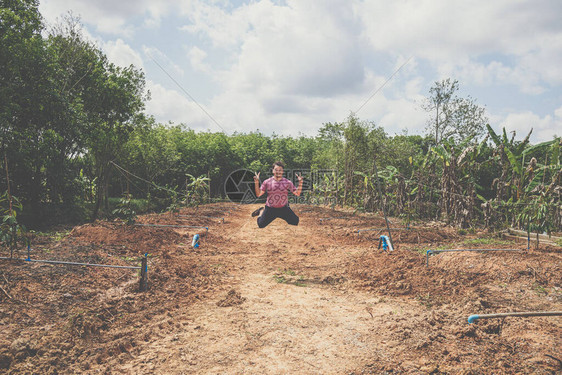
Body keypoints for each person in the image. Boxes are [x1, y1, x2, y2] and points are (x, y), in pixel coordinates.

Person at [252, 161, 304, 228]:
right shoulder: (267, 182)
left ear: (283, 171)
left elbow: (297, 193)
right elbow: (258, 194)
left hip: (283, 208)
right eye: (276, 170)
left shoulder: (287, 182)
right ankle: (261, 211)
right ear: (273, 171)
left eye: (280, 170)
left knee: (295, 222)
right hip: (270, 209)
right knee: (261, 225)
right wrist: (256, 182)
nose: (278, 171)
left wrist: (301, 182)